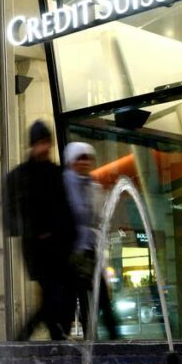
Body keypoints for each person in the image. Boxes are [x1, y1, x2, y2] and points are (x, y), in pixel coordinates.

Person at [3, 121, 76, 341]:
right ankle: (33, 337)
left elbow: (67, 210)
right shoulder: (20, 176)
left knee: (61, 299)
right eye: (40, 143)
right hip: (38, 250)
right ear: (32, 145)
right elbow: (9, 214)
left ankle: (54, 338)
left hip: (61, 248)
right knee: (53, 298)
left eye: (46, 143)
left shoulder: (58, 173)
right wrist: (32, 230)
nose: (44, 148)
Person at [63, 141, 120, 340]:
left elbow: (101, 220)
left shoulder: (94, 188)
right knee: (80, 301)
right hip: (72, 254)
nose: (84, 163)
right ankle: (88, 342)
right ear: (71, 161)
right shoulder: (64, 185)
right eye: (80, 158)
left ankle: (112, 340)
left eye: (87, 159)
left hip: (91, 252)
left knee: (102, 298)